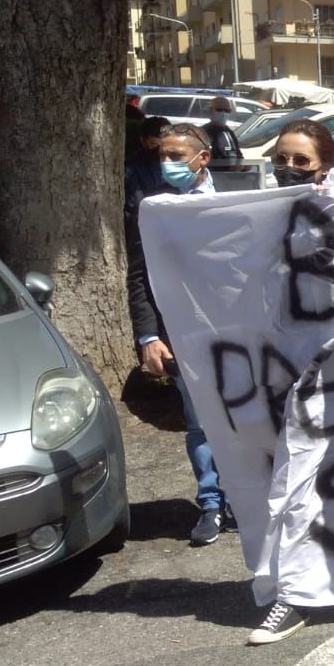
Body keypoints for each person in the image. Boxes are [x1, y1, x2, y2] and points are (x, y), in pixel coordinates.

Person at [246, 122, 334, 644]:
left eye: (301, 161)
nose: (289, 168)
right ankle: (293, 593)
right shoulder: (260, 216)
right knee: (292, 480)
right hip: (284, 370)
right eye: (283, 158)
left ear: (324, 164)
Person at [124, 124, 232, 548]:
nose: (166, 164)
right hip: (184, 333)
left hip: (239, 332)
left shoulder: (242, 198)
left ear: (202, 158)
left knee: (248, 419)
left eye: (175, 156)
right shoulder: (154, 209)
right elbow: (139, 276)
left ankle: (245, 500)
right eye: (162, 157)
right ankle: (211, 503)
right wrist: (148, 336)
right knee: (200, 423)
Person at [269, 119, 334, 187]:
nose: (289, 166)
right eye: (281, 159)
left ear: (326, 166)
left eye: (301, 160)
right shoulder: (266, 198)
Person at [124, 116, 170, 217]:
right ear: (143, 140)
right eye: (154, 144)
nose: (160, 150)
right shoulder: (133, 166)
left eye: (165, 145)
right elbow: (134, 203)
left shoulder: (179, 160)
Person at [202, 96, 244, 171]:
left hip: (232, 177)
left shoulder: (229, 132)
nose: (223, 113)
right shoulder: (203, 132)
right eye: (219, 110)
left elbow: (238, 155)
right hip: (215, 176)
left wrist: (242, 166)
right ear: (211, 110)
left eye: (227, 110)